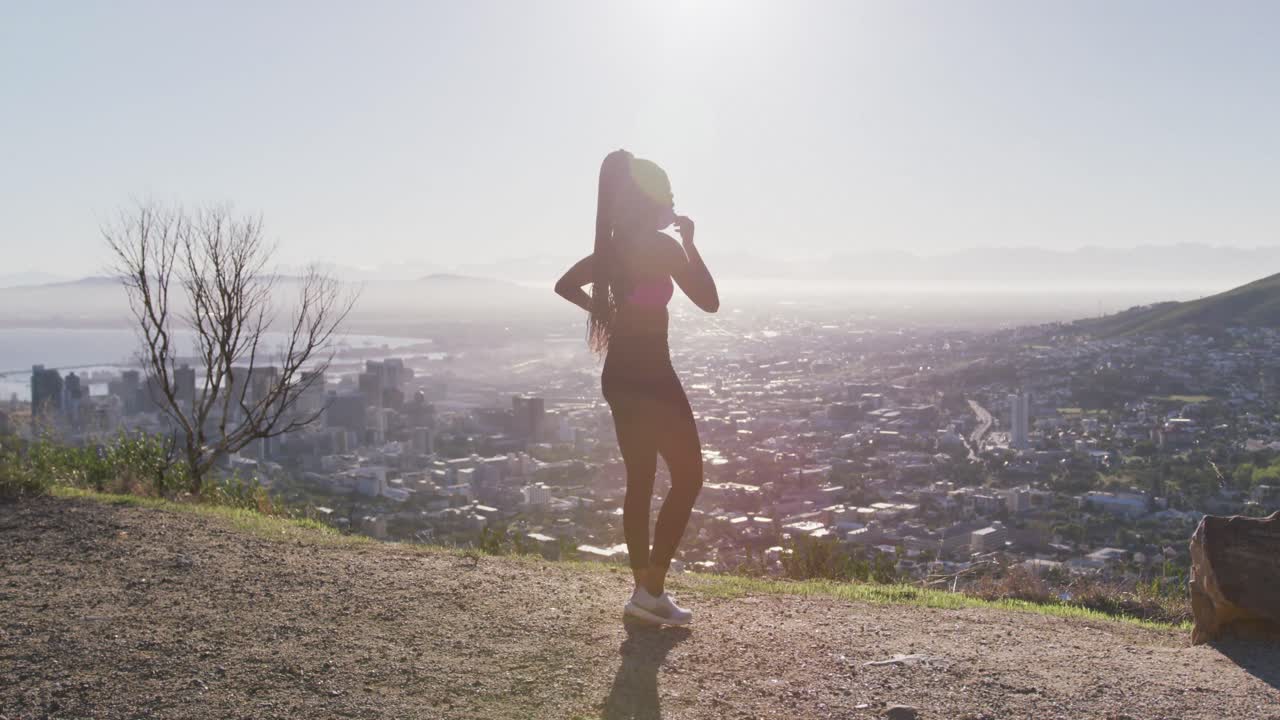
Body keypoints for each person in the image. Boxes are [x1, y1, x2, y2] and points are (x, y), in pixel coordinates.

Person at [555, 149, 719, 625]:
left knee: (641, 482)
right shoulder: (661, 247)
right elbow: (708, 301)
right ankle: (650, 590)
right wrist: (690, 243)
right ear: (652, 201)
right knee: (688, 478)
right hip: (652, 376)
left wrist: (604, 312)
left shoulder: (611, 248)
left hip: (619, 375)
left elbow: (563, 284)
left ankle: (644, 595)